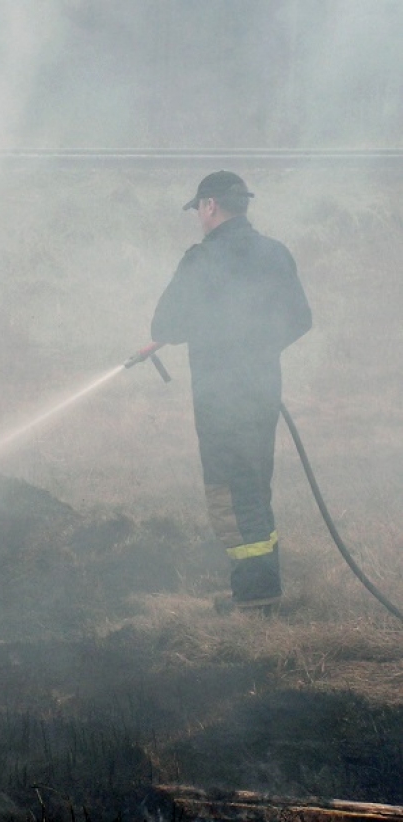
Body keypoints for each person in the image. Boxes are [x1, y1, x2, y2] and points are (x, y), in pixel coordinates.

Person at [151, 171, 311, 610]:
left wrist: (217, 338)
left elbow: (164, 325)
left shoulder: (203, 260)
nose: (200, 219)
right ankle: (260, 585)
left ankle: (256, 597)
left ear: (209, 206)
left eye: (199, 211)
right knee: (255, 485)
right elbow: (300, 318)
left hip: (221, 401)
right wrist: (256, 350)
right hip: (262, 393)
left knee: (230, 492)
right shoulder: (275, 254)